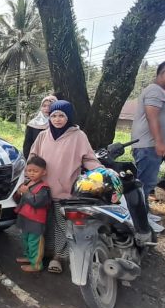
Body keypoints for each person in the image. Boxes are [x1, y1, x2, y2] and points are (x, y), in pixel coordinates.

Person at [29, 100, 104, 273]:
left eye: (61, 115)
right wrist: (30, 178)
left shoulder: (79, 136)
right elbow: (33, 158)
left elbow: (89, 159)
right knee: (43, 223)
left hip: (65, 191)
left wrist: (102, 171)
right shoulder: (43, 136)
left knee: (62, 224)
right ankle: (45, 252)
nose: (57, 119)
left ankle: (59, 257)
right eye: (54, 115)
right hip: (42, 190)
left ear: (68, 117)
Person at [131, 60, 165, 204]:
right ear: (162, 73)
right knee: (145, 184)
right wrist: (159, 142)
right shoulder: (154, 91)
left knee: (148, 183)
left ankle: (143, 212)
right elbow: (151, 116)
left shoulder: (160, 92)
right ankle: (140, 217)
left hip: (150, 146)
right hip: (148, 145)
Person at [13, 156, 51, 273]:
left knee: (35, 242)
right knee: (25, 240)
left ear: (43, 172)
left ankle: (36, 264)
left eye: (36, 171)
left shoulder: (44, 188)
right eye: (29, 171)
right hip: (24, 218)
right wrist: (19, 193)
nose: (32, 173)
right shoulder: (27, 183)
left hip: (36, 221)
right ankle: (28, 257)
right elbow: (16, 198)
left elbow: (37, 203)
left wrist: (26, 193)